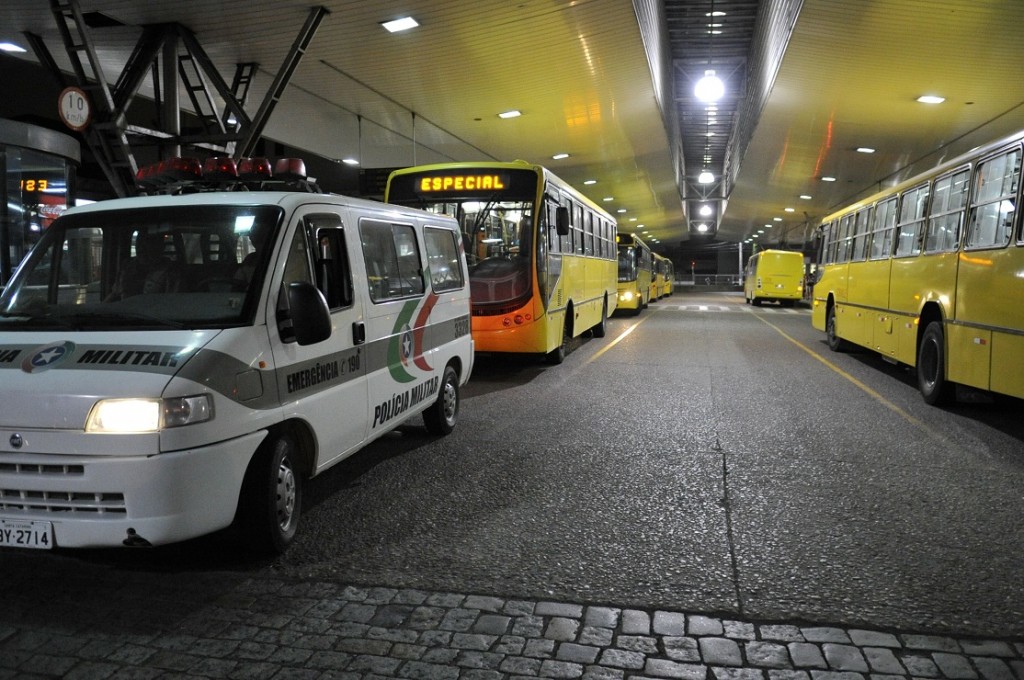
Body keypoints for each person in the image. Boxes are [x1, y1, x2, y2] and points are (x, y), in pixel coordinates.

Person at [105, 232, 179, 301]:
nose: (141, 248)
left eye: (148, 243)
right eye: (139, 243)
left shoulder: (171, 271)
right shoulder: (127, 266)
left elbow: (172, 302)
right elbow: (114, 294)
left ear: (161, 247)